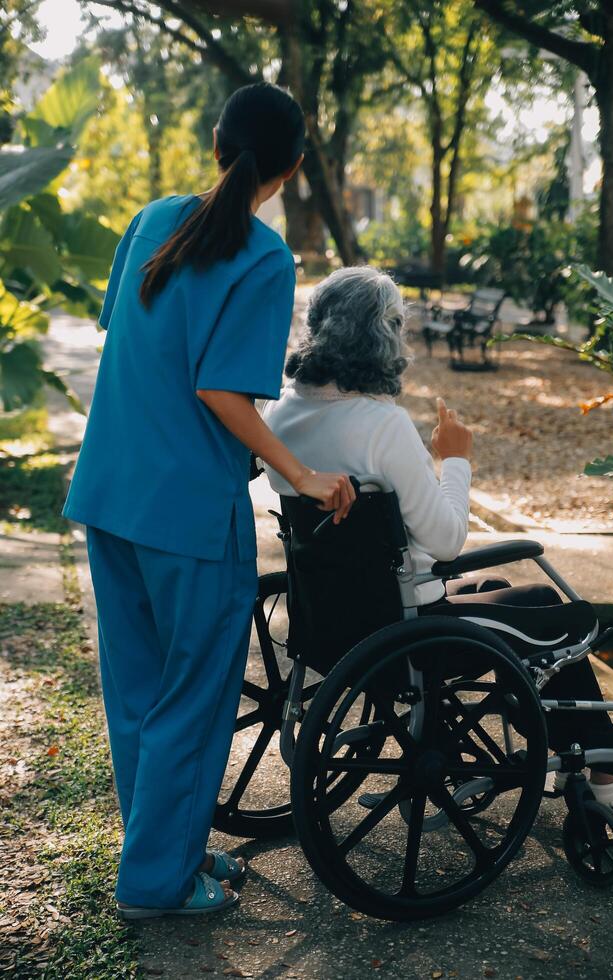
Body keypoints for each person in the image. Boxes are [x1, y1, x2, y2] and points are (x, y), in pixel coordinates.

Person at [63, 83, 356, 920]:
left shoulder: (153, 218)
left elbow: (126, 340)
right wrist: (302, 475)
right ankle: (157, 884)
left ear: (216, 141)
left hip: (112, 494)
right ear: (292, 167)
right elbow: (223, 391)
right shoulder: (265, 258)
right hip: (190, 517)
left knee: (140, 698)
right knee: (191, 704)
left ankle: (168, 856)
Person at [262, 265, 613, 805]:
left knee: (489, 582)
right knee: (546, 603)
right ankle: (608, 770)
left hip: (329, 621)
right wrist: (455, 460)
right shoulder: (382, 425)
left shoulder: (280, 415)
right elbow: (446, 542)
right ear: (383, 336)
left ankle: (567, 757)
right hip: (404, 630)